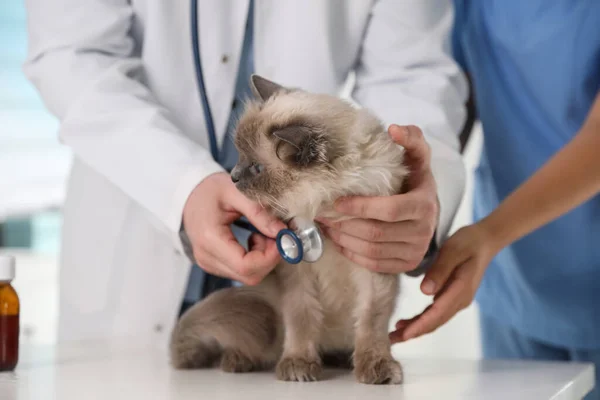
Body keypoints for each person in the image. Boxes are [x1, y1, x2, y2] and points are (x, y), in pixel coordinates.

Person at [23, 0, 468, 344]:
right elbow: (71, 53)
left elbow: (413, 76)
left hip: (313, 250)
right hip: (139, 230)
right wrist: (180, 184)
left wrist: (409, 192)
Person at [391, 1, 600, 399]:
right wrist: (421, 213)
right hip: (513, 282)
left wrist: (488, 235)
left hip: (525, 246)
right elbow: (454, 104)